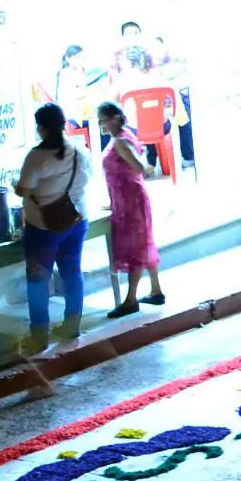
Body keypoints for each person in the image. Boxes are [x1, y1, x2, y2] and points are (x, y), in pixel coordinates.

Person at [14, 102, 93, 352]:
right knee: (72, 272)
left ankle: (39, 336)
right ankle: (72, 326)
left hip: (44, 229)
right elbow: (88, 178)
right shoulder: (80, 150)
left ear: (41, 128)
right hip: (76, 220)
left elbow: (23, 190)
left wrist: (15, 183)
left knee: (38, 280)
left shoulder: (37, 157)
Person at [96, 101, 164, 317]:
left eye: (103, 119)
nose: (101, 124)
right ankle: (156, 290)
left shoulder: (121, 142)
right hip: (127, 199)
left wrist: (145, 168)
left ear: (115, 117)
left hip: (130, 200)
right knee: (144, 243)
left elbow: (138, 167)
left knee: (135, 247)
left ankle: (130, 299)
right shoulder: (124, 136)